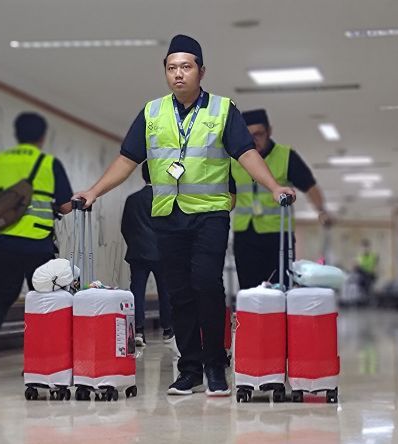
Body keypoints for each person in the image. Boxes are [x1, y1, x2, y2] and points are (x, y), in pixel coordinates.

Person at [72, 34, 296, 397]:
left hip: (210, 214)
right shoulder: (152, 112)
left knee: (206, 283)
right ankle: (189, 369)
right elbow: (127, 160)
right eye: (172, 68)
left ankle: (215, 365)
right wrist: (94, 191)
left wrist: (273, 186)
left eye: (186, 67)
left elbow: (245, 153)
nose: (178, 74)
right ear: (165, 71)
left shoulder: (222, 110)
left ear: (201, 71)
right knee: (179, 292)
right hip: (167, 215)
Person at [0, 112, 73, 375]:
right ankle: (39, 360)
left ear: (16, 134)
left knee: (0, 296)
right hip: (37, 243)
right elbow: (65, 205)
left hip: (2, 242)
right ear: (42, 137)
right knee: (44, 300)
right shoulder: (49, 163)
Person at [231, 109, 330, 289]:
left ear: (269, 131)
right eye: (249, 135)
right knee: (249, 290)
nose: (254, 140)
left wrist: (322, 211)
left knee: (280, 287)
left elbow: (310, 186)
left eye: (259, 134)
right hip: (245, 234)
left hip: (277, 235)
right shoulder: (235, 159)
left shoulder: (286, 156)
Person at [121, 162, 175, 346]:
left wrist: (135, 244)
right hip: (162, 253)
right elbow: (172, 227)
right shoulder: (166, 199)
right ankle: (168, 330)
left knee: (137, 291)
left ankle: (138, 331)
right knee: (166, 291)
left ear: (143, 176)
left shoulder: (132, 200)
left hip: (138, 253)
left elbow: (125, 227)